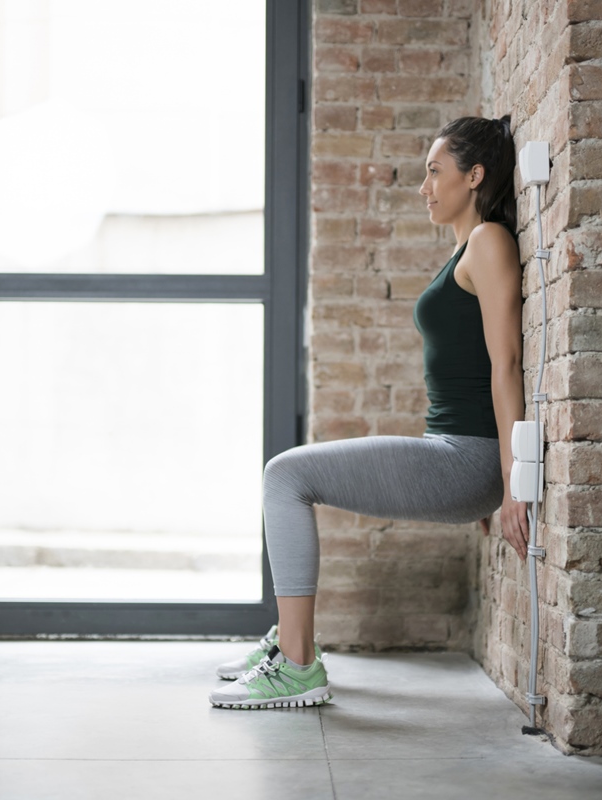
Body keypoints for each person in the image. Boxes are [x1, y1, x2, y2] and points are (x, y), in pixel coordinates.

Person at [209, 116, 530, 710]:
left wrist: (507, 480)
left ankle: (299, 664)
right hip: (463, 456)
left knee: (285, 476)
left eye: (435, 171)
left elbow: (505, 366)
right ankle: (290, 646)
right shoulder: (467, 247)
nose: (424, 186)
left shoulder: (488, 241)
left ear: (474, 175)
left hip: (466, 457)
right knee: (287, 476)